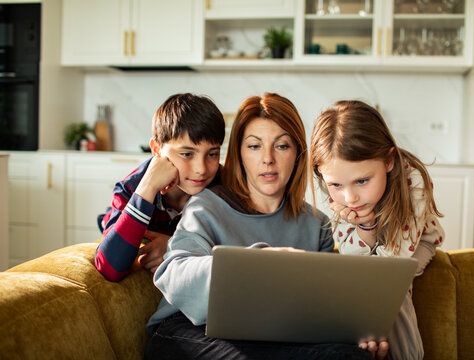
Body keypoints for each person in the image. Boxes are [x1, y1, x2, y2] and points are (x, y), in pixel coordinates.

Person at [145, 93, 372, 360]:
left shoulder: (316, 224)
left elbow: (321, 310)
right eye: (254, 146)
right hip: (189, 331)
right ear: (239, 154)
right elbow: (174, 273)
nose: (268, 159)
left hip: (271, 336)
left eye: (282, 146)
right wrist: (257, 264)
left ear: (298, 153)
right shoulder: (206, 206)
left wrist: (358, 337)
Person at [310, 100, 445, 360]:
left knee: (395, 288)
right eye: (336, 184)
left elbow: (391, 267)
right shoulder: (336, 190)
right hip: (377, 252)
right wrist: (366, 226)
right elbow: (354, 257)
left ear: (389, 161)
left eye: (362, 180)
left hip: (418, 244)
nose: (350, 198)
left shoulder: (412, 180)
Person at [95, 93, 225, 281]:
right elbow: (110, 268)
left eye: (212, 154)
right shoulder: (132, 188)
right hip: (126, 210)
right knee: (111, 223)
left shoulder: (224, 186)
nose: (201, 169)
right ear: (156, 150)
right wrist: (147, 188)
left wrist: (176, 246)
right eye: (187, 154)